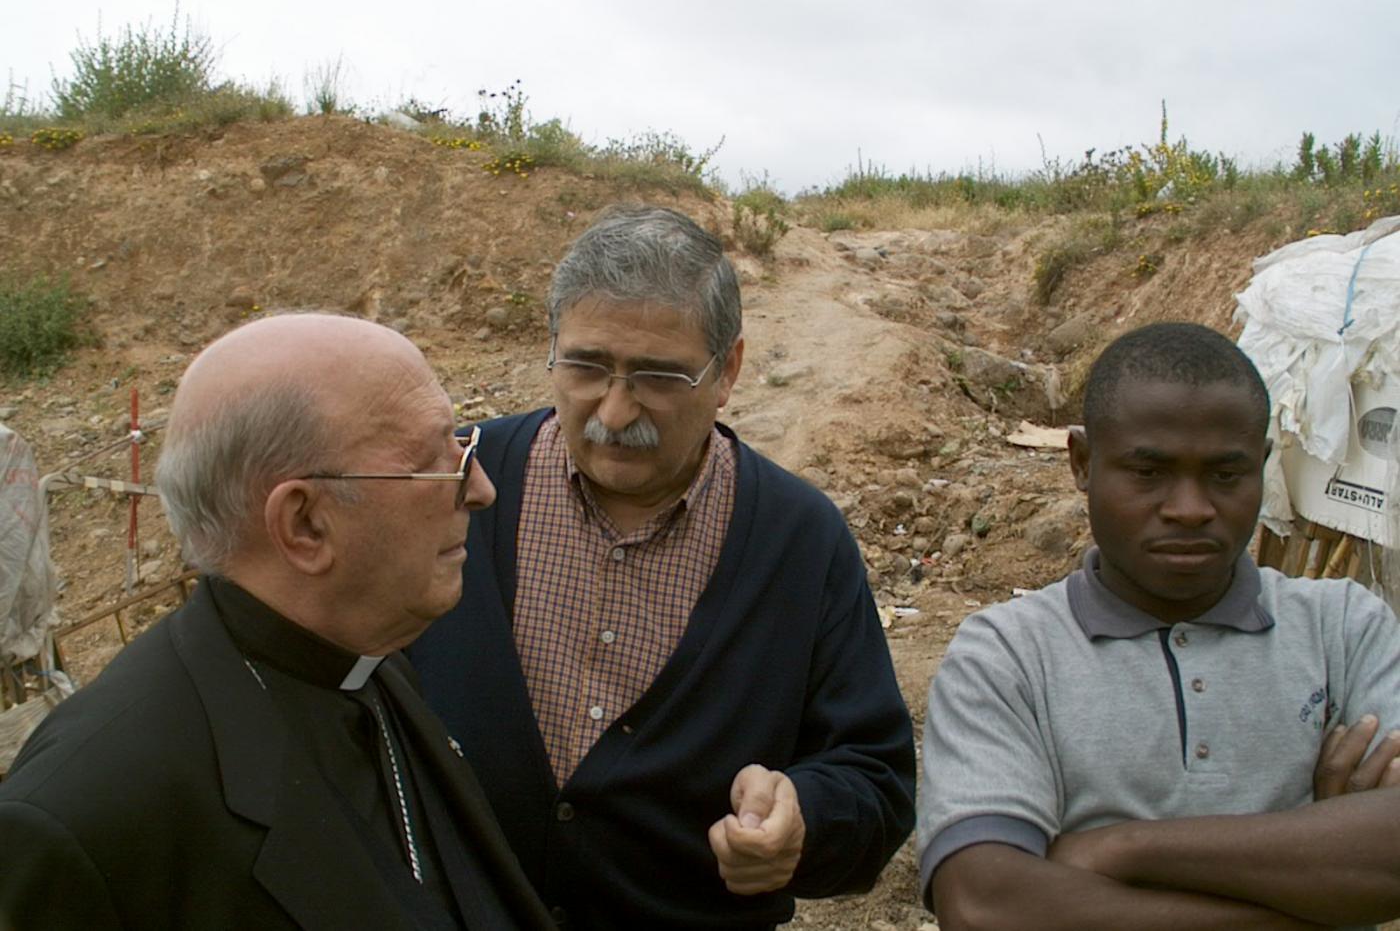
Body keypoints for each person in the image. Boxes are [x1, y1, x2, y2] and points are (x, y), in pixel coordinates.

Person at [408, 204, 915, 929]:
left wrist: (803, 821)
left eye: (657, 377)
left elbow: (876, 779)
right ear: (552, 344)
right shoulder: (449, 489)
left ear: (728, 369)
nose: (614, 413)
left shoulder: (800, 540)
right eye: (586, 367)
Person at [0, 314, 555, 931]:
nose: (481, 488)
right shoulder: (91, 814)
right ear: (305, 525)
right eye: (437, 460)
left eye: (465, 446)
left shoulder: (369, 664)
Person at [918, 321, 1400, 930]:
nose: (1191, 509)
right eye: (1149, 473)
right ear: (1083, 462)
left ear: (1263, 466)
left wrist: (1118, 848)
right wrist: (1317, 867)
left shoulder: (1345, 628)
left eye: (1226, 475)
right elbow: (986, 905)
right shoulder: (1010, 655)